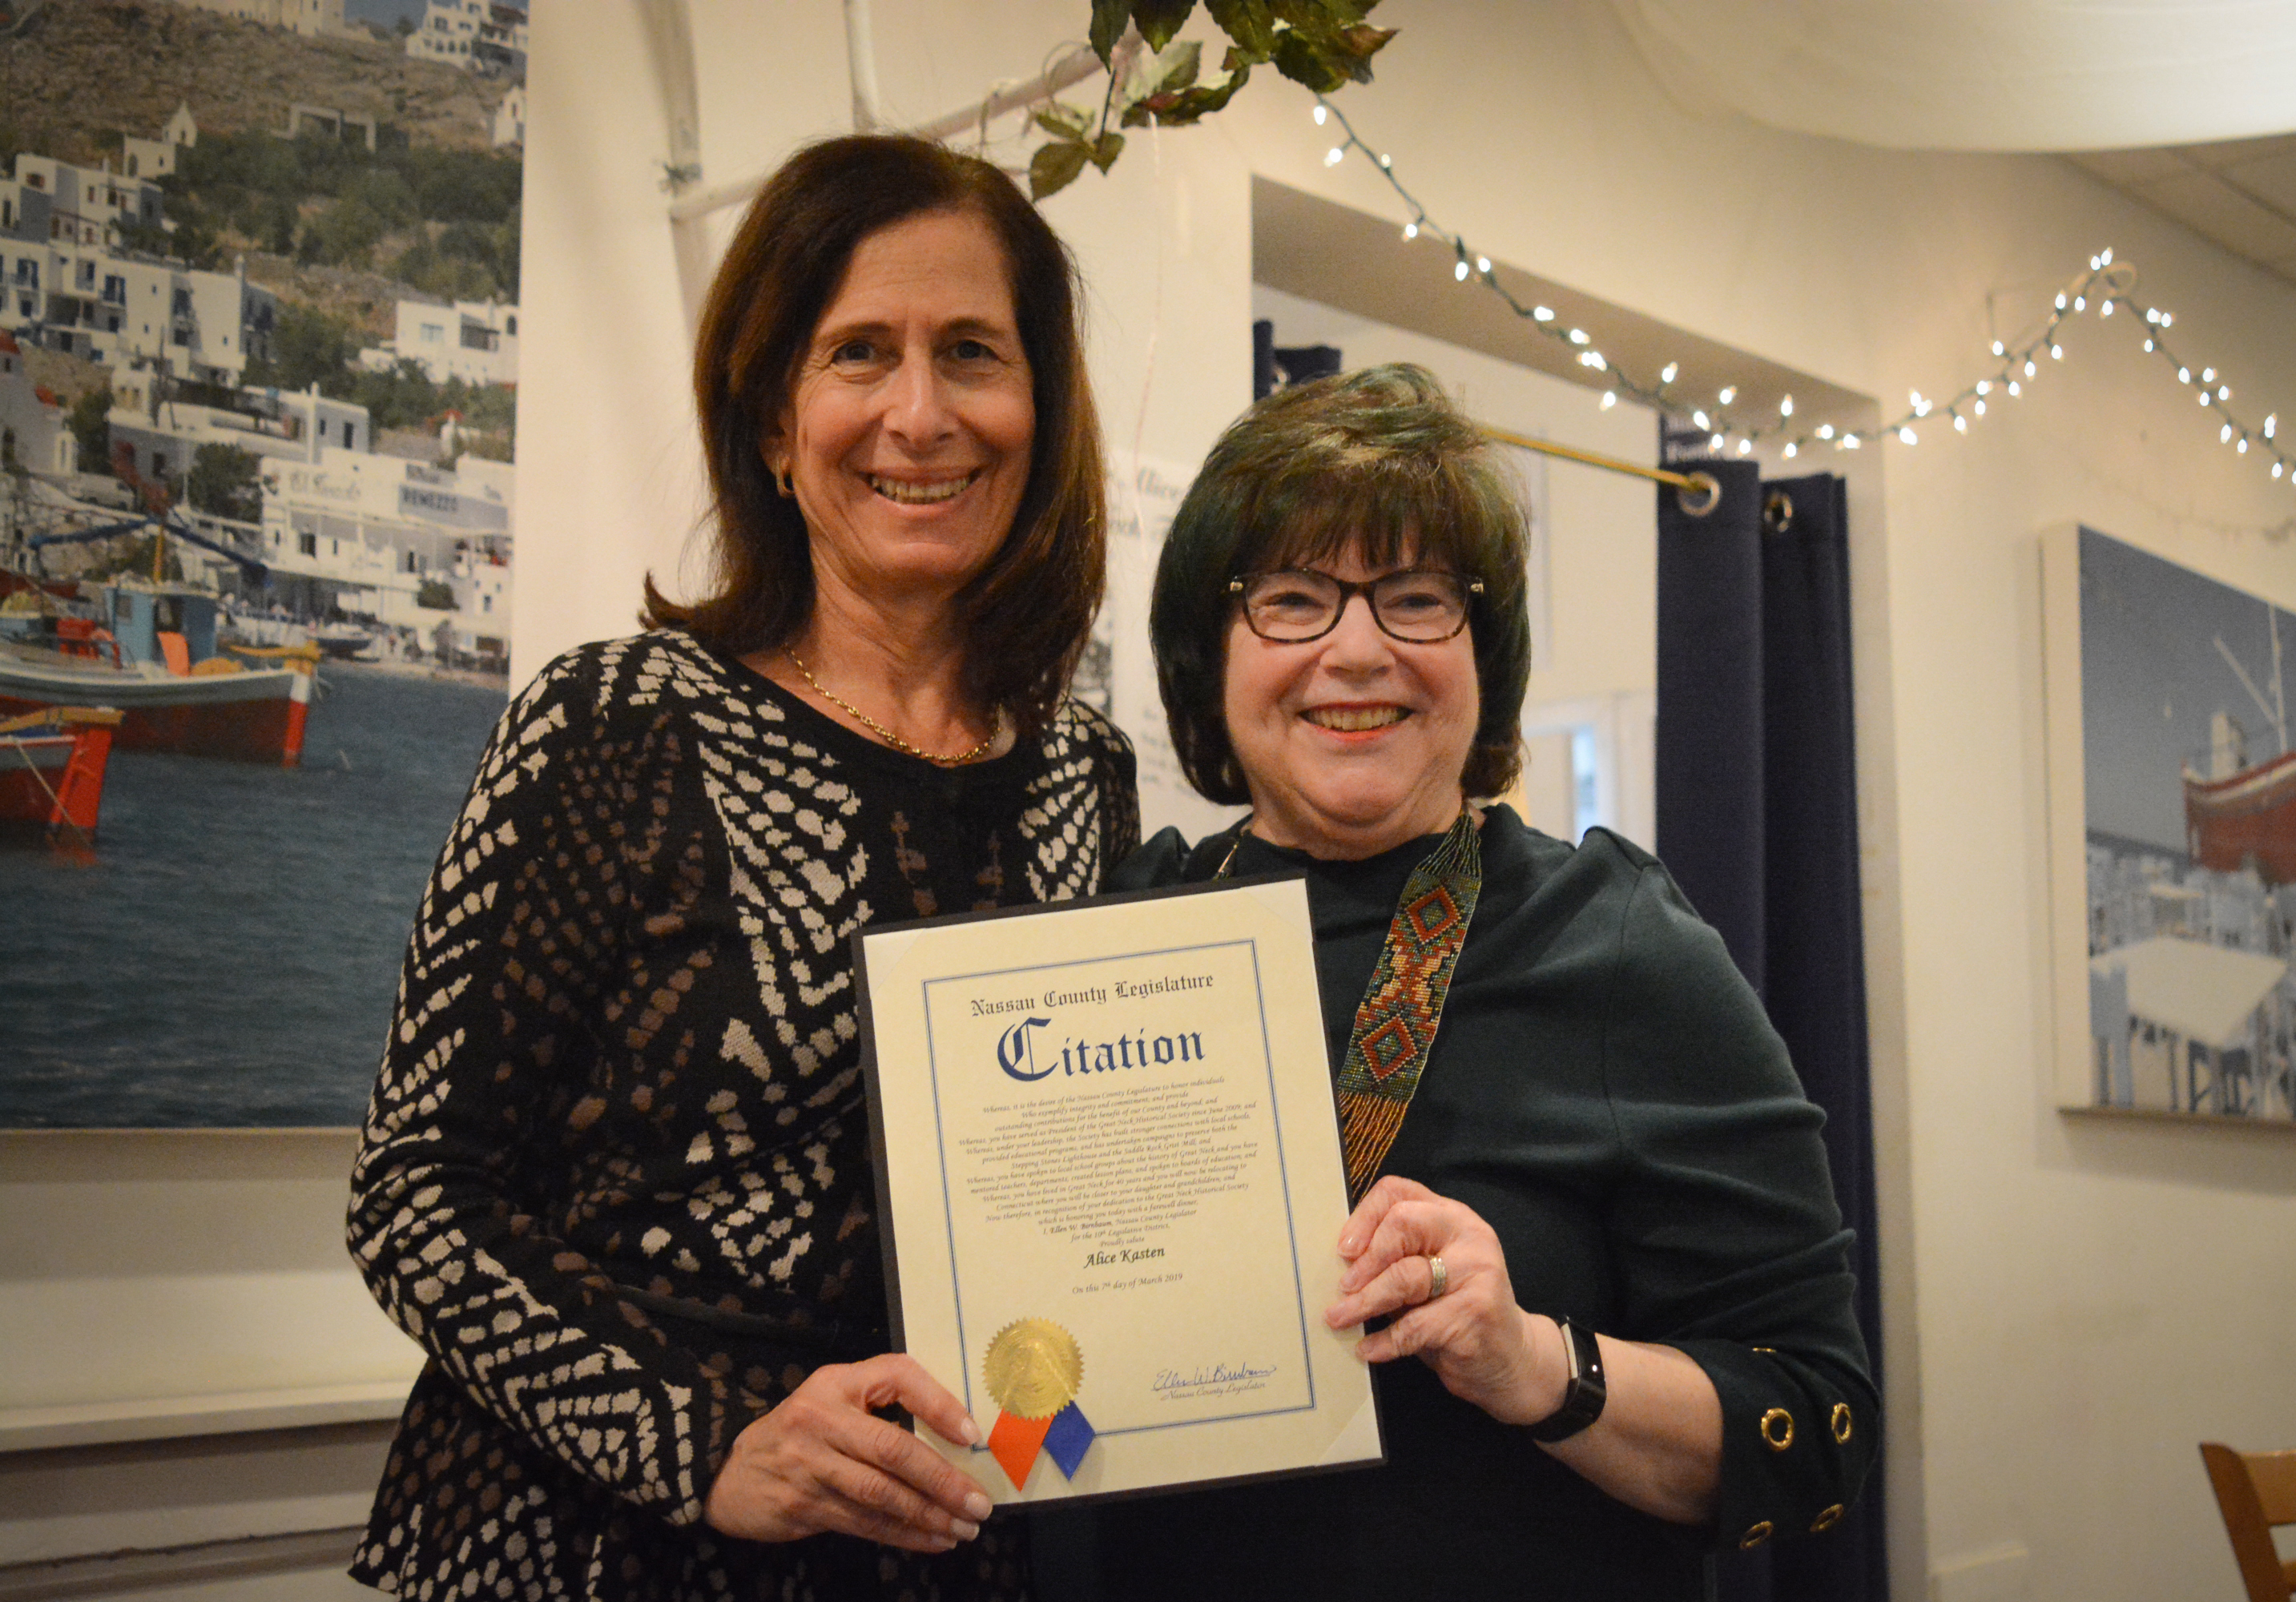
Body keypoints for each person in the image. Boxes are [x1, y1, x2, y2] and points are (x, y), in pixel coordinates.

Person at [347, 135, 1138, 1602]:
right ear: (776, 420)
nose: (920, 414)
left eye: (972, 352)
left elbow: (1071, 1210)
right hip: (611, 1545)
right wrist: (702, 1445)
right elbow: (415, 1195)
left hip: (952, 1542)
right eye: (859, 352)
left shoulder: (1084, 776)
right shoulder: (614, 724)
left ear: (1038, 410)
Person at [1048, 364, 1875, 1600]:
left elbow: (1815, 1427)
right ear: (1206, 651)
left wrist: (1536, 1363)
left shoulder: (1614, 941)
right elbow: (1054, 1388)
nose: (1357, 649)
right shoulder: (1116, 940)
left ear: (1482, 654)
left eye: (1416, 600)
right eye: (1291, 600)